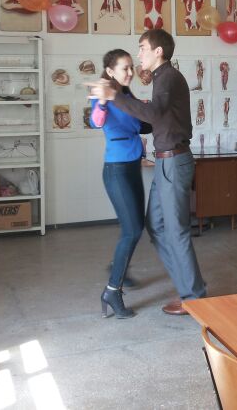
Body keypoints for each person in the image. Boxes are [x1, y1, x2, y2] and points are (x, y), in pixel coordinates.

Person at [87, 29, 206, 315]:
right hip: (162, 161)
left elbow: (152, 116)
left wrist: (114, 95)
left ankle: (194, 297)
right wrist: (109, 99)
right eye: (125, 66)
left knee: (174, 231)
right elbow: (102, 120)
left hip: (173, 160)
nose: (138, 54)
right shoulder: (159, 79)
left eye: (142, 48)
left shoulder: (167, 77)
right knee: (155, 226)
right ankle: (188, 287)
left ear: (157, 51)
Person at [90, 49, 152, 318]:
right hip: (116, 170)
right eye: (124, 68)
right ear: (110, 71)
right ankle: (112, 290)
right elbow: (96, 121)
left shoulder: (126, 95)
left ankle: (118, 268)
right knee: (132, 230)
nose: (130, 72)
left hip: (132, 165)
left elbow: (141, 124)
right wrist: (103, 102)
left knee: (136, 227)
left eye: (130, 67)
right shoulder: (105, 93)